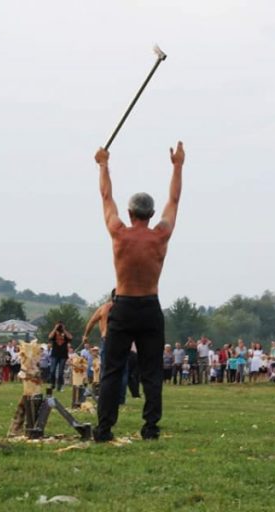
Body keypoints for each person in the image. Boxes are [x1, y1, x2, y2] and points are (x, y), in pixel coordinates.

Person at [93, 141, 184, 442]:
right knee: (152, 373)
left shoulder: (118, 233)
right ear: (151, 213)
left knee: (112, 371)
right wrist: (178, 166)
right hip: (149, 306)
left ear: (130, 212)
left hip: (123, 306)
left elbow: (106, 197)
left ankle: (104, 428)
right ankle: (150, 428)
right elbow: (175, 198)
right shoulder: (161, 235)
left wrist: (104, 164)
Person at [48, 321, 73, 392]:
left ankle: (59, 386)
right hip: (54, 354)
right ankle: (52, 384)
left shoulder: (65, 333)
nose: (59, 327)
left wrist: (64, 329)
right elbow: (49, 337)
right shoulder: (54, 333)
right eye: (59, 325)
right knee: (52, 370)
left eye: (60, 325)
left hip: (63, 355)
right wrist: (55, 328)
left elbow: (70, 337)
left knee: (60, 372)